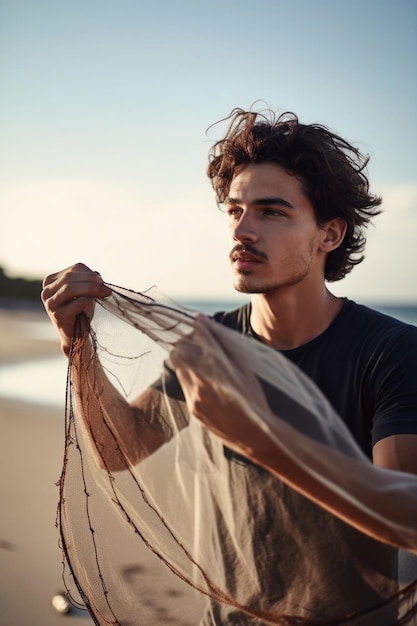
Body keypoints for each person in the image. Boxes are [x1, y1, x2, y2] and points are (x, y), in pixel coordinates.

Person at [41, 108, 417, 624]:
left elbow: (405, 516)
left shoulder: (392, 352)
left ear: (329, 234)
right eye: (234, 211)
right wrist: (76, 346)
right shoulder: (209, 345)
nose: (242, 230)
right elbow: (120, 448)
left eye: (272, 212)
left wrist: (264, 440)